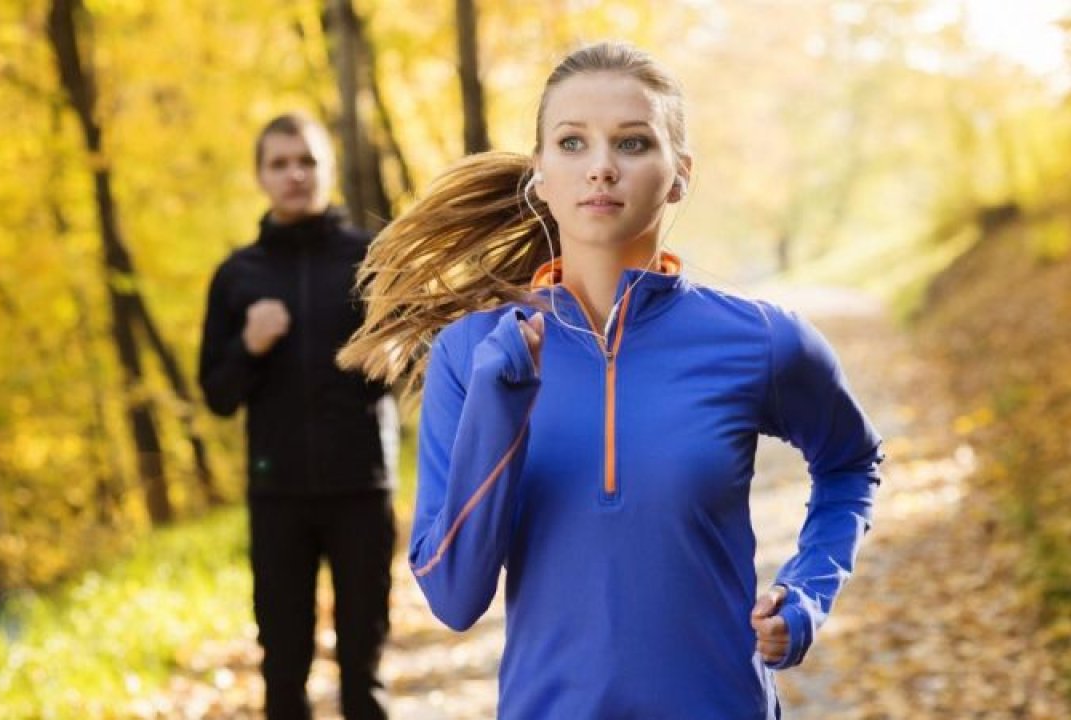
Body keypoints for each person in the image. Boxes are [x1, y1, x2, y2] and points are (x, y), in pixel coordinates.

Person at [337, 42, 883, 718]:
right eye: (572, 143)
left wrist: (805, 596)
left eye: (631, 143)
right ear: (540, 175)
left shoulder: (760, 340)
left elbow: (852, 463)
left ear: (678, 175)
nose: (600, 167)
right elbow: (453, 595)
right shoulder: (474, 353)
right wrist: (499, 404)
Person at [198, 112, 396, 720]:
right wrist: (250, 347)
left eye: (306, 160)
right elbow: (217, 394)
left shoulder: (370, 259)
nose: (294, 174)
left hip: (361, 487)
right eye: (280, 163)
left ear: (328, 169)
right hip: (277, 493)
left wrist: (394, 355)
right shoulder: (238, 275)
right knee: (283, 670)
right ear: (260, 176)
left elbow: (413, 367)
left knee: (364, 675)